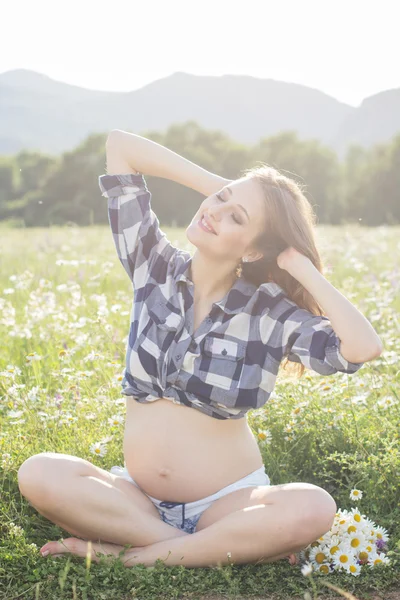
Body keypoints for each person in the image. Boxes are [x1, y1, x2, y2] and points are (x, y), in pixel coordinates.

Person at [17, 130, 383, 569]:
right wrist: (220, 189)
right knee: (38, 472)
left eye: (236, 219)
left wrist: (300, 267)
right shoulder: (151, 265)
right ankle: (196, 549)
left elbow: (362, 348)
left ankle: (132, 557)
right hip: (137, 499)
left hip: (227, 504)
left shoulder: (269, 312)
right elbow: (121, 147)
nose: (214, 213)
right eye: (219, 202)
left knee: (314, 507)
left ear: (255, 249)